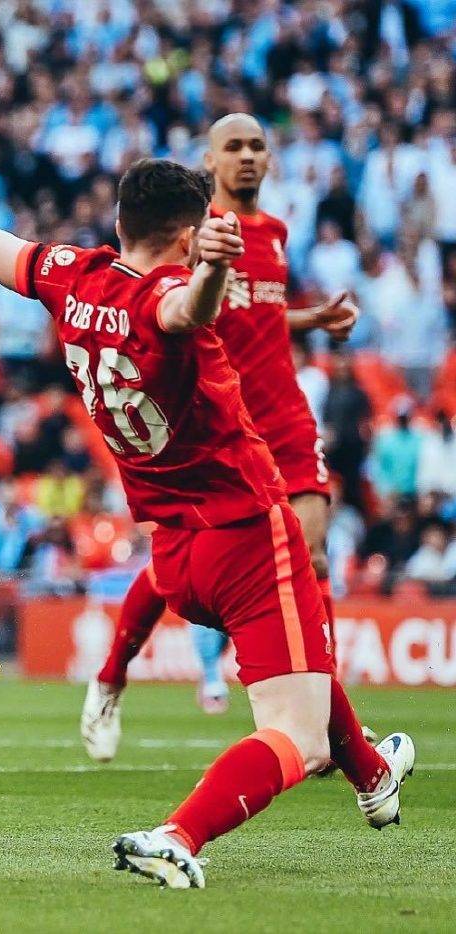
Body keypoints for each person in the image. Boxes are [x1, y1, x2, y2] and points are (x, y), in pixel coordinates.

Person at [0, 79, 413, 888]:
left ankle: (374, 775)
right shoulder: (169, 297)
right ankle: (177, 836)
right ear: (188, 236)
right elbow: (190, 310)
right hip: (247, 535)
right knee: (297, 733)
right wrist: (214, 271)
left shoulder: (71, 276)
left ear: (119, 224)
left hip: (174, 555)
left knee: (305, 664)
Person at [86, 113, 363, 737]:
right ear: (209, 161)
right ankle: (111, 674)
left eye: (256, 146)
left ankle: (326, 716)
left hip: (286, 419)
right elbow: (187, 315)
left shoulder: (276, 233)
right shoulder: (195, 236)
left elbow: (257, 316)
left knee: (313, 558)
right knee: (175, 569)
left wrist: (311, 319)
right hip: (219, 428)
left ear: (269, 159)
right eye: (233, 146)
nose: (246, 156)